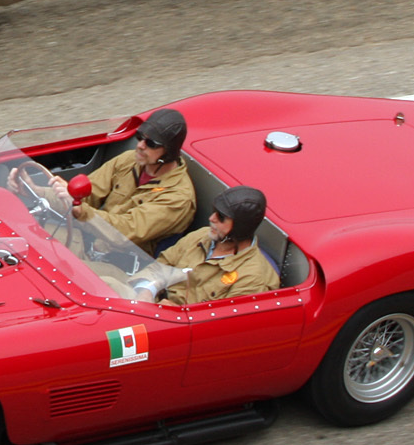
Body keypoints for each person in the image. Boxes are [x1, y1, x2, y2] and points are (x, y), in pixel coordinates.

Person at [56, 108, 195, 252]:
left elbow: (126, 232)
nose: (140, 145)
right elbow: (88, 193)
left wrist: (82, 211)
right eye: (140, 137)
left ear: (169, 152)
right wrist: (39, 191)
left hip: (123, 262)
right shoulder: (129, 160)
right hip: (93, 238)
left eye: (151, 143)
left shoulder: (178, 198)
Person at [151, 185, 280, 305]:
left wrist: (165, 310)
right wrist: (146, 289)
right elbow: (159, 267)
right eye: (214, 211)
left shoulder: (252, 278)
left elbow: (215, 324)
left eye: (221, 217)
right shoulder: (200, 236)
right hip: (152, 306)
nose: (212, 218)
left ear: (240, 227)